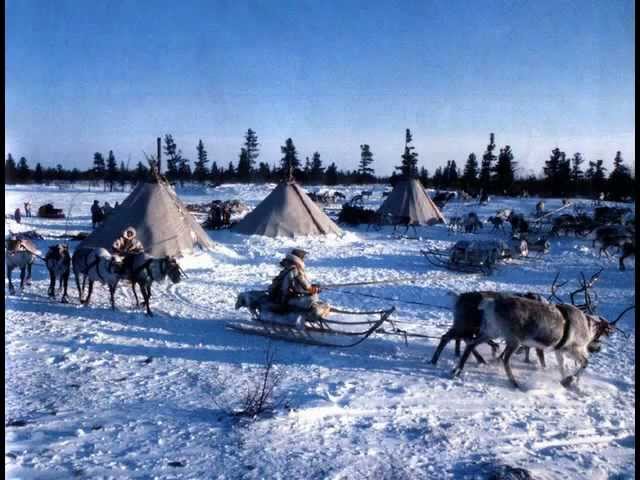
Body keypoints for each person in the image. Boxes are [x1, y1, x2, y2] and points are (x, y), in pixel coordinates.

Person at [269, 249, 329, 327]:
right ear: (299, 259)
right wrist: (316, 289)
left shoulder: (287, 269)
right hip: (287, 301)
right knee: (313, 300)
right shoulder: (296, 270)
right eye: (303, 258)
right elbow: (306, 287)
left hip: (279, 298)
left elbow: (295, 285)